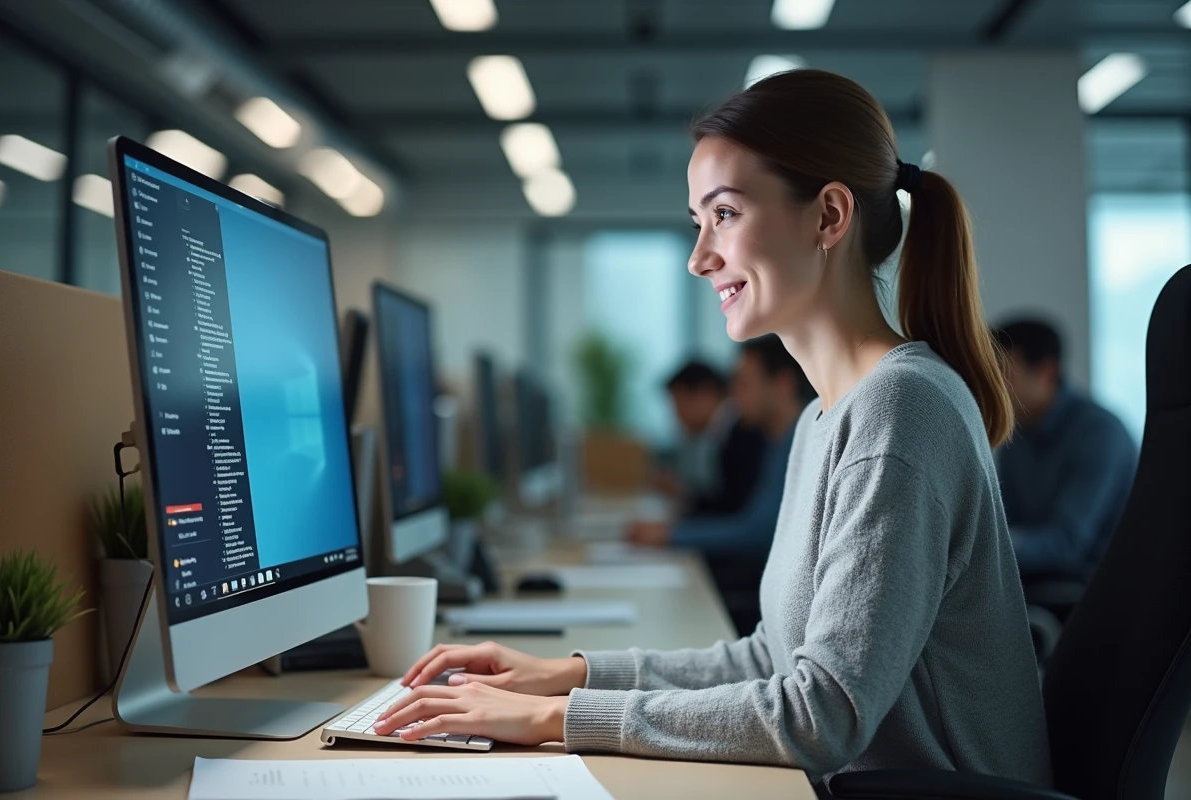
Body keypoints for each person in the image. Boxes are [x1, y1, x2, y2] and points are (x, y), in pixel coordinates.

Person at [372, 69, 1051, 790]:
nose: (700, 258)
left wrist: (556, 718)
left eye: (723, 215)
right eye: (699, 222)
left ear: (828, 216)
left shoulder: (900, 409)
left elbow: (823, 715)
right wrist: (560, 675)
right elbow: (772, 659)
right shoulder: (825, 417)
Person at [630, 335, 815, 636]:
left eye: (743, 383)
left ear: (782, 383)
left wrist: (673, 534)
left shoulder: (799, 441)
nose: (733, 395)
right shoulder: (774, 442)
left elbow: (757, 532)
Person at [994, 319, 1137, 582]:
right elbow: (1004, 524)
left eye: (1003, 373)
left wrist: (985, 549)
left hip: (1096, 592)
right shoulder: (1017, 433)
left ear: (1046, 372)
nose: (992, 387)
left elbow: (1068, 544)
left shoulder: (1099, 434)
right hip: (1037, 585)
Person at [655, 359, 767, 517]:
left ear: (705, 393)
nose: (677, 415)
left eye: (678, 404)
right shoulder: (715, 435)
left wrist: (684, 495)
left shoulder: (743, 432)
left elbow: (734, 508)